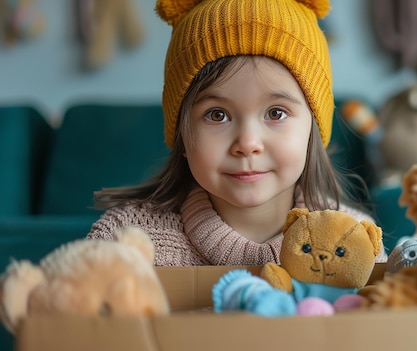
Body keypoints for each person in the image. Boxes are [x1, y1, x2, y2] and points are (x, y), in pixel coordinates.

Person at [87, 0, 388, 266]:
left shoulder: (356, 239)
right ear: (181, 132)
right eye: (217, 115)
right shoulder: (126, 243)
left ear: (313, 127)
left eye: (276, 113)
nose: (247, 144)